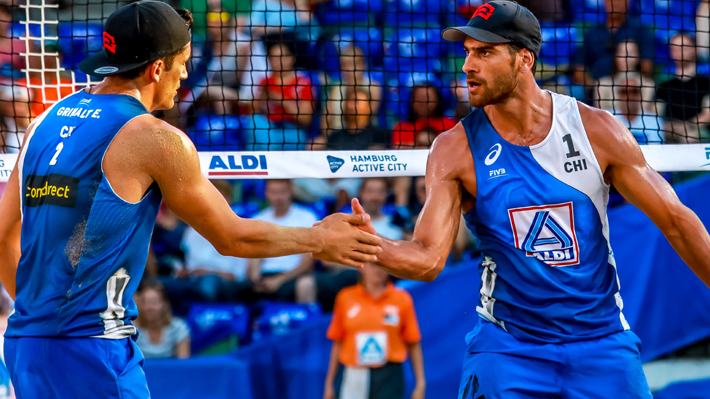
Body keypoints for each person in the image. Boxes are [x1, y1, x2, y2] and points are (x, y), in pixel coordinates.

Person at [0, 2, 381, 398]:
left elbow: (3, 234)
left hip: (27, 344)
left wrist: (41, 315)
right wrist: (320, 239)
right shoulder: (153, 137)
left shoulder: (44, 120)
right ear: (156, 68)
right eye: (182, 61)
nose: (185, 73)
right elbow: (232, 238)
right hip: (92, 349)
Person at [350, 1, 710, 397]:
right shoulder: (454, 149)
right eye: (467, 52)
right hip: (507, 347)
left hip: (600, 339)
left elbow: (676, 221)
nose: (468, 66)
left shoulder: (595, 129)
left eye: (484, 52)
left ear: (524, 60)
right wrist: (364, 244)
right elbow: (429, 259)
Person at [323, 262, 425, 399]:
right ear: (362, 266)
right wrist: (329, 384)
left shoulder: (402, 299)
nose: (379, 270)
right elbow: (337, 342)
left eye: (383, 265)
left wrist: (420, 383)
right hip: (354, 373)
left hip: (389, 374)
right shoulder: (346, 298)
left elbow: (413, 342)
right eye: (373, 265)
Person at [248, 179, 318, 302]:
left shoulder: (307, 218)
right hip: (265, 276)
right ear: (266, 193)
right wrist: (256, 280)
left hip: (293, 276)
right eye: (274, 192)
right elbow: (254, 259)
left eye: (282, 192)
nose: (278, 197)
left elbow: (307, 264)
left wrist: (278, 281)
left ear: (291, 191)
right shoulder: (257, 219)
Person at [656, 33, 710, 143]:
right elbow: (655, 114)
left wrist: (685, 126)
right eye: (675, 48)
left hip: (696, 131)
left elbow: (707, 115)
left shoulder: (706, 83)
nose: (679, 51)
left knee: (689, 137)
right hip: (670, 132)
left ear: (694, 50)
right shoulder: (665, 86)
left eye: (684, 47)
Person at [593, 40, 656, 114]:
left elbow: (642, 113)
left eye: (631, 53)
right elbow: (600, 114)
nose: (626, 57)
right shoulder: (602, 84)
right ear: (616, 56)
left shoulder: (648, 85)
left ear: (638, 56)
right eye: (622, 52)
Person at [134, 279, 191, 359]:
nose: (149, 308)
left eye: (154, 302)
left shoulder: (179, 328)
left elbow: (184, 364)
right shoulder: (133, 330)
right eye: (144, 302)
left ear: (164, 304)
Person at [322, 87, 390, 150]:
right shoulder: (334, 137)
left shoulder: (379, 136)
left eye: (356, 102)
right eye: (348, 101)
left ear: (368, 107)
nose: (350, 105)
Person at [392, 83, 455, 148]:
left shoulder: (450, 125)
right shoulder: (401, 128)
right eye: (420, 98)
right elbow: (398, 150)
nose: (424, 102)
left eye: (427, 98)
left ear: (437, 100)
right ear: (412, 102)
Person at [606, 78, 664, 144]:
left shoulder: (654, 121)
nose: (629, 96)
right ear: (618, 95)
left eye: (634, 91)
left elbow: (656, 150)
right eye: (624, 92)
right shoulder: (607, 119)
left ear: (640, 95)